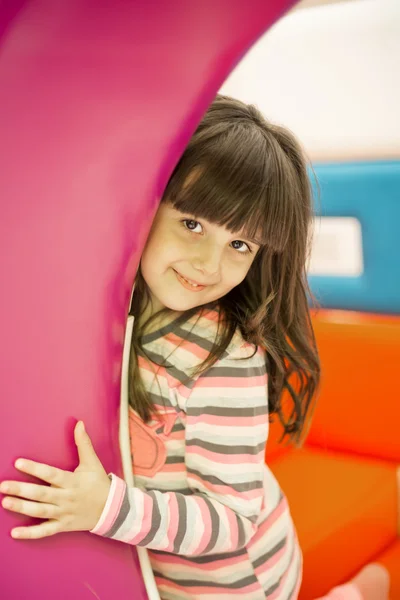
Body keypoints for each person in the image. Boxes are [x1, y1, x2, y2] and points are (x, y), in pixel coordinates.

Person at [0, 95, 390, 600]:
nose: (208, 264)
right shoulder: (117, 306)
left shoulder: (226, 360)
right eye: (192, 224)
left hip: (241, 582)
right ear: (149, 201)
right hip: (158, 567)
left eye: (240, 245)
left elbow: (231, 523)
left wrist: (105, 508)